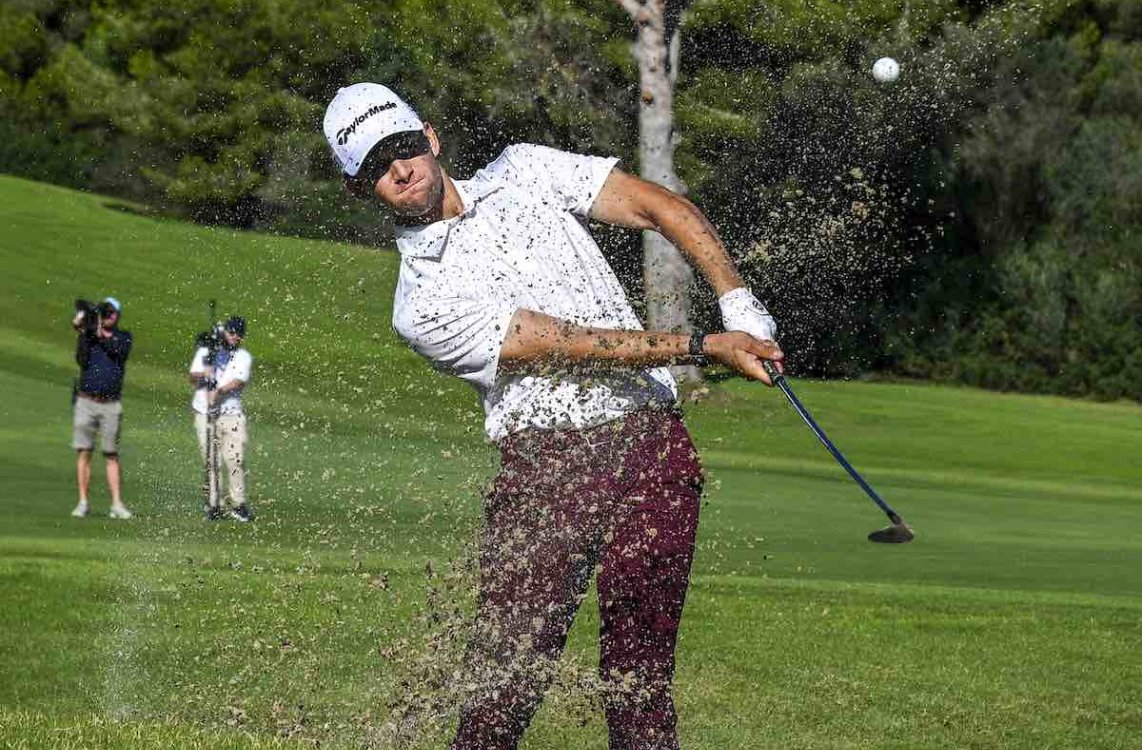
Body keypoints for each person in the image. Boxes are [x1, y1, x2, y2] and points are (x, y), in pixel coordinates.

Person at [323, 83, 784, 750]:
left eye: (401, 148)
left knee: (640, 677)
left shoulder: (524, 169)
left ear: (429, 137)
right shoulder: (419, 302)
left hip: (651, 443)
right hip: (546, 469)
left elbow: (656, 206)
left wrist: (737, 302)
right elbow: (551, 338)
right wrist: (701, 346)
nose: (399, 170)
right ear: (358, 189)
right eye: (375, 167)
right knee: (504, 687)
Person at [70, 297, 134, 519]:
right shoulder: (88, 336)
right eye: (105, 312)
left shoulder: (123, 338)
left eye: (112, 312)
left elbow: (118, 351)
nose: (109, 316)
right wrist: (84, 330)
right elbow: (81, 359)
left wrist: (97, 332)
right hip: (86, 402)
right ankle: (83, 502)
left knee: (111, 453)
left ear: (117, 315)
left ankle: (116, 504)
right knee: (84, 451)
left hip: (111, 405)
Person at [188, 316, 254, 522]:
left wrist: (218, 390)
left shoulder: (243, 356)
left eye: (239, 334)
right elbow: (192, 377)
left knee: (235, 459)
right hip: (204, 414)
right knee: (211, 461)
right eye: (232, 332)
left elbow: (238, 382)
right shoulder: (207, 351)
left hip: (231, 414)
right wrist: (205, 372)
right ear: (225, 332)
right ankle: (214, 505)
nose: (236, 337)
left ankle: (238, 504)